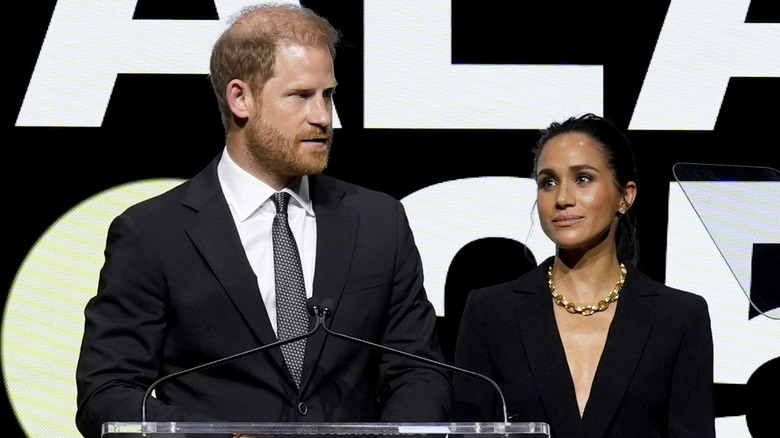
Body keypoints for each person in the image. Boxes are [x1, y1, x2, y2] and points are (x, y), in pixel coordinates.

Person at [75, 4, 451, 438]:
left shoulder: (378, 221)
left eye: (328, 94)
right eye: (300, 95)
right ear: (241, 98)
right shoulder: (153, 233)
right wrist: (222, 437)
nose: (324, 117)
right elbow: (107, 392)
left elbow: (419, 372)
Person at [451, 113, 715, 437]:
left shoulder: (679, 318)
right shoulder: (490, 313)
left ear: (625, 196)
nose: (562, 199)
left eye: (583, 179)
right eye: (548, 182)